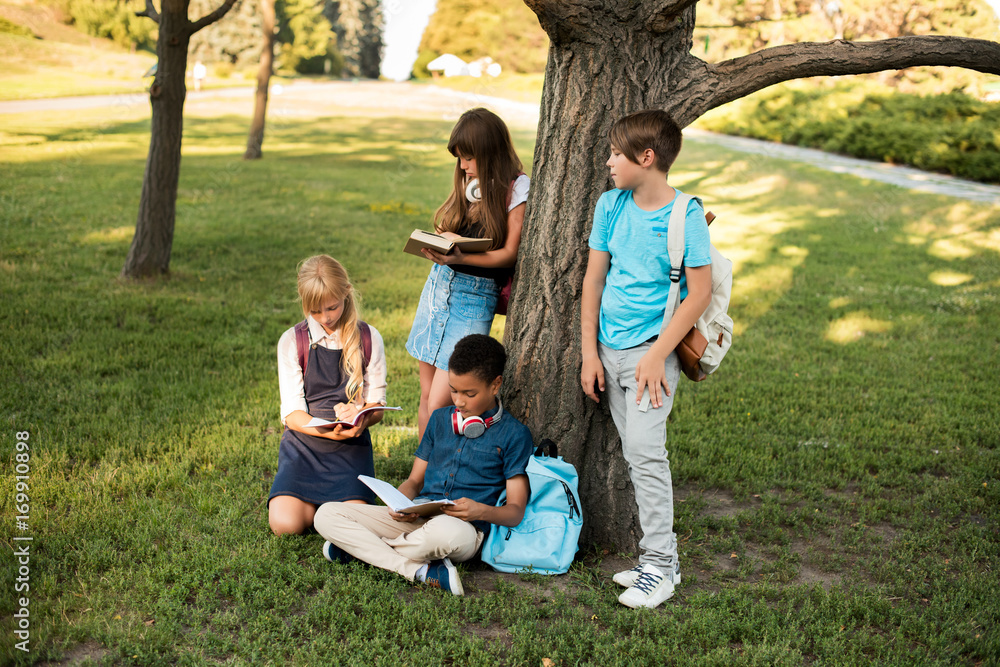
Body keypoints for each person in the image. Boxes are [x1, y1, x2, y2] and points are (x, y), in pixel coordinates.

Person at [580, 110, 713, 609]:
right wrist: (589, 353)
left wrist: (657, 355)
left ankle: (660, 565)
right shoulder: (610, 206)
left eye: (617, 153)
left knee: (645, 455)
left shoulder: (685, 215)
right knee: (636, 454)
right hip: (609, 354)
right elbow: (594, 280)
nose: (610, 161)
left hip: (649, 359)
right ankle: (660, 561)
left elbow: (697, 294)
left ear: (646, 158)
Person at [314, 334, 533, 596]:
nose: (459, 401)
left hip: (462, 528)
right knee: (326, 514)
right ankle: (418, 571)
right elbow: (414, 481)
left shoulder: (514, 435)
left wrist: (480, 511)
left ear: (495, 385)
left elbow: (516, 511)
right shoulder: (440, 419)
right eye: (453, 390)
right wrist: (400, 503)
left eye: (469, 393)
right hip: (417, 516)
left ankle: (360, 550)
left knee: (446, 535)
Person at [406, 108, 530, 441]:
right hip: (439, 289)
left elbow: (509, 253)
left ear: (490, 152)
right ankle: (423, 477)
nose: (463, 165)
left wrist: (462, 255)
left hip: (473, 299)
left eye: (469, 158)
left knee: (439, 403)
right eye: (460, 158)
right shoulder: (469, 184)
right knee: (425, 394)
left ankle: (441, 475)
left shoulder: (517, 188)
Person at [269, 255, 389, 536]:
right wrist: (329, 432)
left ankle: (323, 510)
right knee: (285, 525)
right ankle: (316, 509)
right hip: (304, 448)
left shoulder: (369, 338)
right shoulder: (292, 341)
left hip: (350, 449)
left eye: (332, 307)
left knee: (357, 524)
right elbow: (293, 415)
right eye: (316, 311)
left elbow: (377, 407)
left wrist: (360, 419)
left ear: (346, 292)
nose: (326, 317)